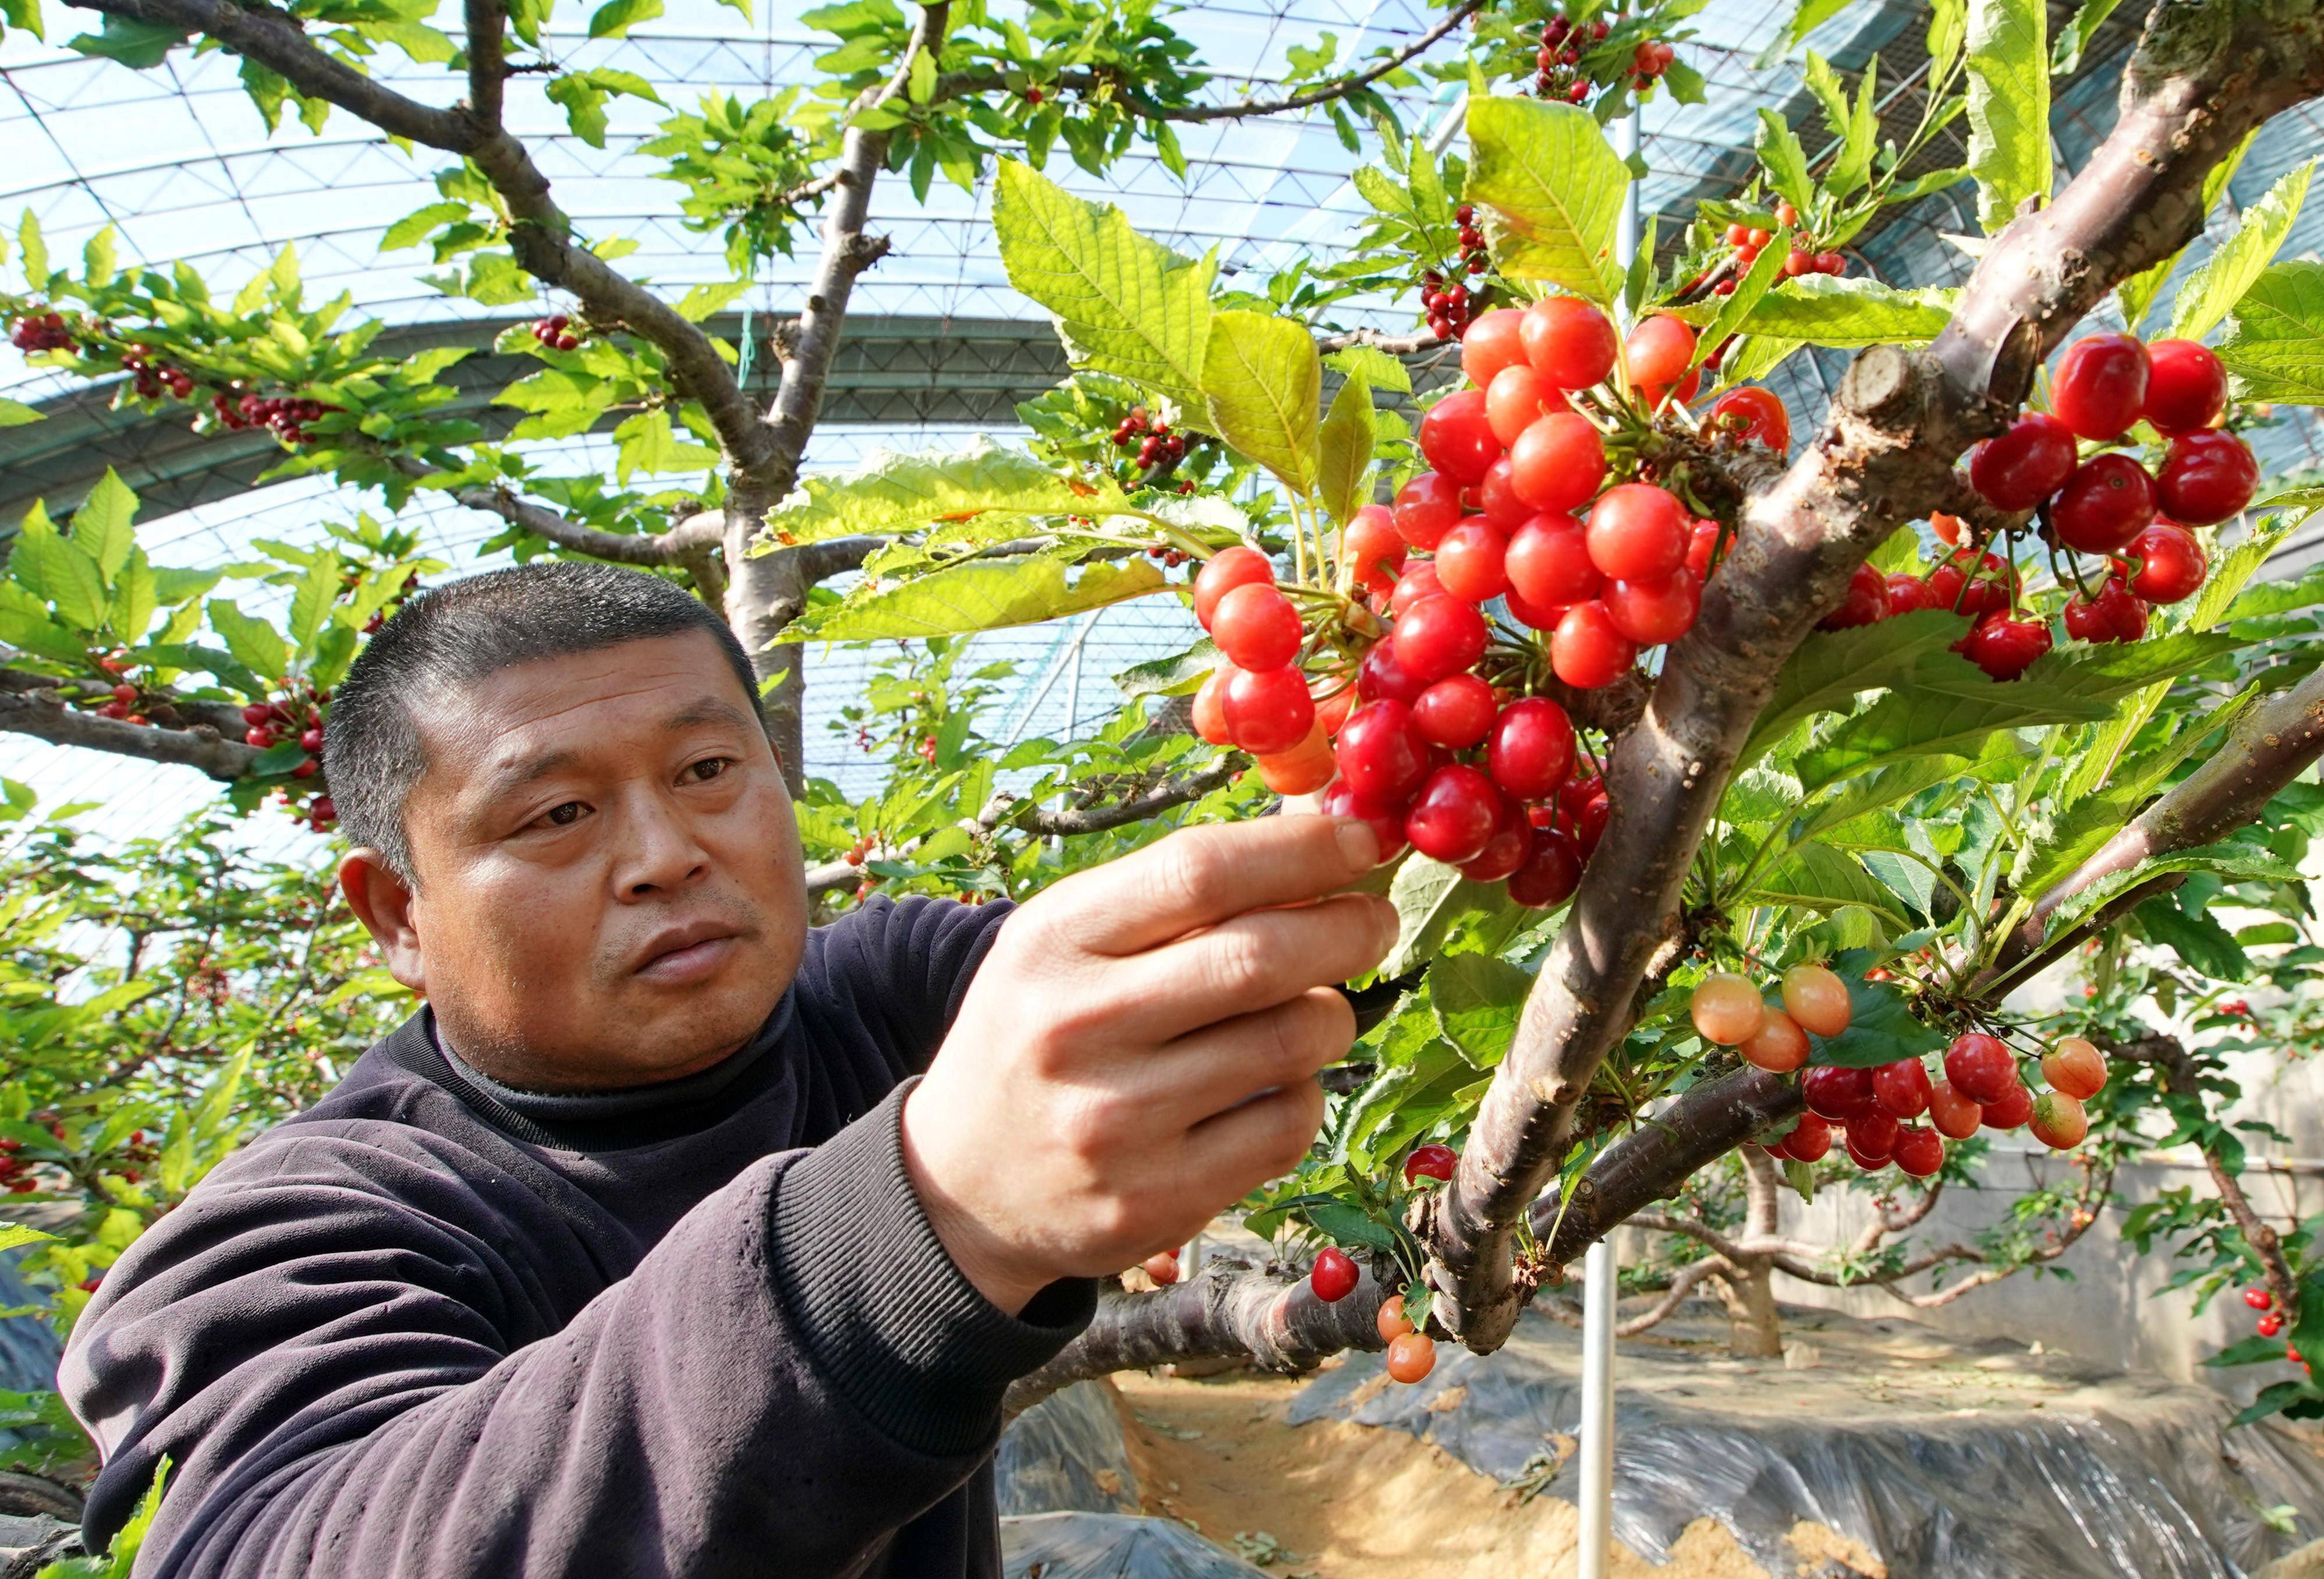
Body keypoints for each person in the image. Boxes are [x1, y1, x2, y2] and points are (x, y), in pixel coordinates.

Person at [60, 561, 1395, 1577]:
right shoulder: (302, 1225)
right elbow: (285, 1540)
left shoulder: (876, 992)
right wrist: (923, 1221)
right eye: (558, 813)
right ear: (399, 916)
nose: (665, 852)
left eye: (709, 770)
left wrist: (1422, 741)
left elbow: (1233, 974)